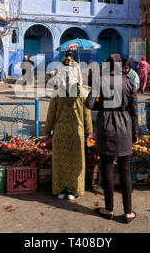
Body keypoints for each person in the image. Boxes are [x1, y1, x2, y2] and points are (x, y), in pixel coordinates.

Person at [85, 54, 139, 224]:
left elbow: (89, 104)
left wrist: (106, 105)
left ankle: (108, 209)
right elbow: (135, 111)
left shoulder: (99, 80)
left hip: (106, 126)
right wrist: (135, 134)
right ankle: (128, 212)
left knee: (107, 168)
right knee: (125, 170)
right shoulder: (129, 82)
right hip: (125, 126)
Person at [45, 59, 93, 200]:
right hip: (76, 134)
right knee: (76, 163)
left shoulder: (57, 92)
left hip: (60, 133)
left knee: (60, 163)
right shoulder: (82, 92)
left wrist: (48, 130)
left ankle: (60, 190)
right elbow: (87, 114)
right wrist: (89, 131)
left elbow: (51, 113)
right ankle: (73, 190)